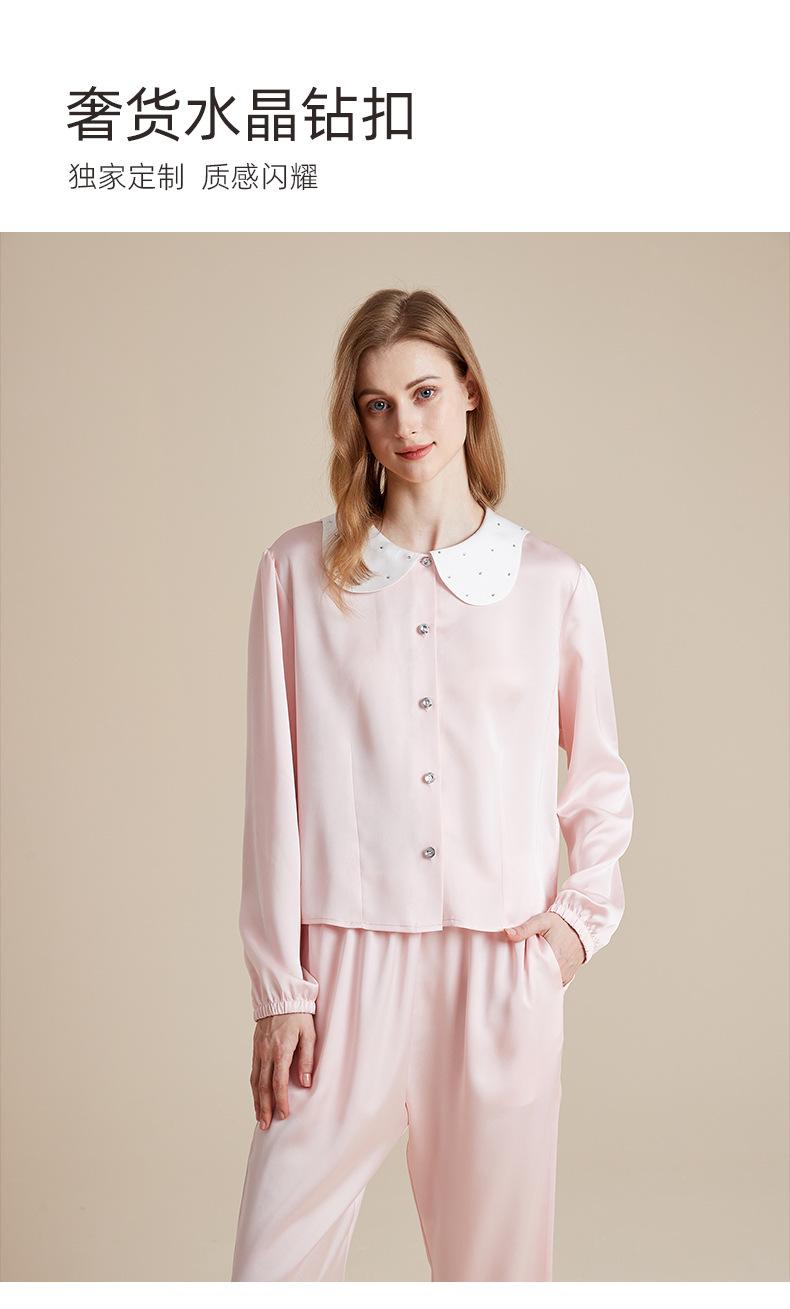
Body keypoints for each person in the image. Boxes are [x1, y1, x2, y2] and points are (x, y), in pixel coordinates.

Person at [230, 287, 634, 1281]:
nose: (405, 424)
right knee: (272, 1266)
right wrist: (281, 988)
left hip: (498, 971)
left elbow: (598, 781)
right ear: (357, 421)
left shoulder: (552, 584)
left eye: (423, 392)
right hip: (341, 972)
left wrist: (576, 926)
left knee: (495, 1275)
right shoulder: (296, 573)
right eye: (377, 404)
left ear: (467, 392)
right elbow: (273, 797)